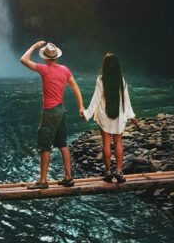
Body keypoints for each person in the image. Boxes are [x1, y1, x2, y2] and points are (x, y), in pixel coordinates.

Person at [20, 40, 84, 189]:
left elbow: (23, 59)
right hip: (61, 110)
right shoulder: (65, 70)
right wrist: (81, 106)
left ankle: (43, 181)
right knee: (62, 144)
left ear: (45, 57)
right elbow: (75, 86)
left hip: (49, 112)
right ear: (56, 56)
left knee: (45, 146)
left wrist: (35, 46)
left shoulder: (44, 69)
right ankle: (68, 177)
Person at [82, 52, 137, 183]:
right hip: (119, 114)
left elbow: (96, 99)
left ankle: (107, 172)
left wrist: (86, 114)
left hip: (104, 114)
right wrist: (132, 116)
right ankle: (118, 171)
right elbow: (126, 99)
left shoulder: (101, 79)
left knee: (106, 143)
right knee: (118, 142)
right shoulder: (121, 79)